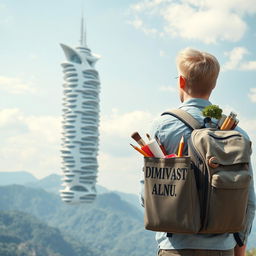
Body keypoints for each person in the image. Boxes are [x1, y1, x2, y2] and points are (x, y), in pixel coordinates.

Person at [140, 48, 256, 256]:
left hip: (175, 248)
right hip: (223, 249)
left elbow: (146, 195)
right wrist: (238, 248)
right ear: (214, 84)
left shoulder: (161, 127)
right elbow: (249, 201)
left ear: (181, 82)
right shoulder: (237, 133)